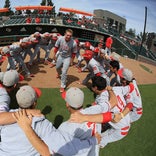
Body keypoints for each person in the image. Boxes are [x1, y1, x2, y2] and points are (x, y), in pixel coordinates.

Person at [0, 85, 101, 156]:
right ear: (34, 103)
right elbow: (65, 147)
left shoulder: (6, 117)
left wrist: (26, 112)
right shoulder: (39, 122)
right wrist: (93, 140)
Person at [59, 86, 117, 156]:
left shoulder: (65, 127)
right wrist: (110, 90)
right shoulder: (96, 109)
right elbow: (114, 102)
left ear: (67, 104)